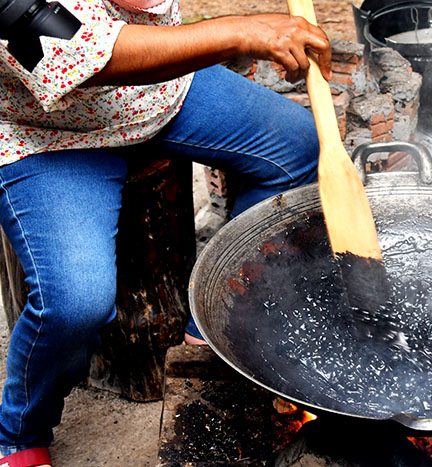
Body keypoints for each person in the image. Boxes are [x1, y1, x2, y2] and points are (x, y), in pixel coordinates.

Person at [0, 0, 332, 464]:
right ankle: (21, 433)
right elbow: (69, 47)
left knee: (299, 146)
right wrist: (242, 32)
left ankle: (210, 326)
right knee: (75, 303)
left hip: (158, 90)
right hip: (49, 130)